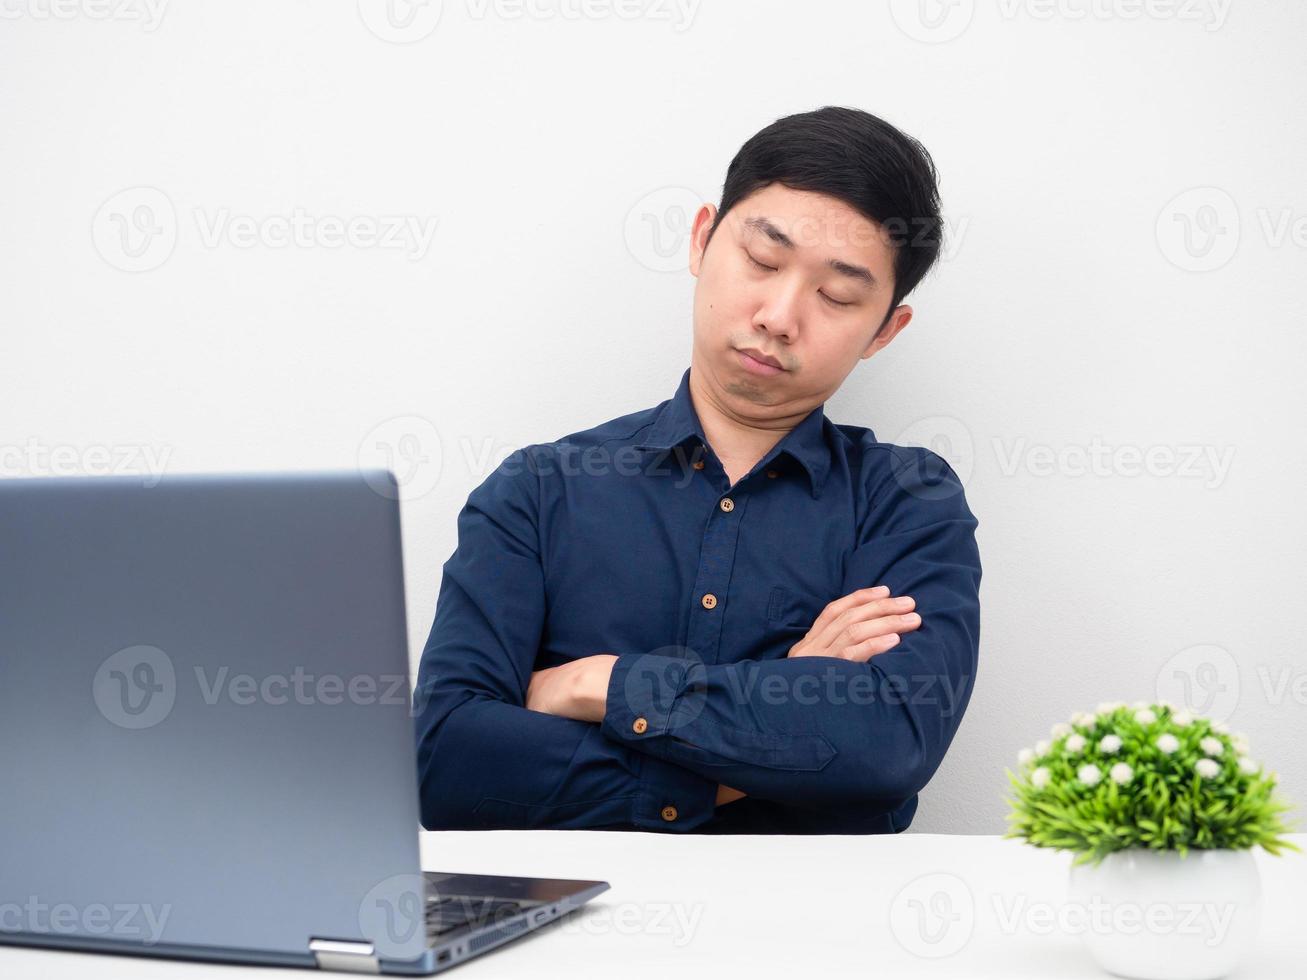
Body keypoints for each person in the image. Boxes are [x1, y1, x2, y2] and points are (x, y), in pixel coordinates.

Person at [413, 105, 982, 834]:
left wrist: (595, 684)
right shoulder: (536, 492)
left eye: (836, 295)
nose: (779, 315)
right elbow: (449, 765)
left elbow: (885, 749)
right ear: (701, 239)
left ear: (883, 331)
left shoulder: (906, 500)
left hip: (823, 936)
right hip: (567, 935)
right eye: (763, 261)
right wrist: (786, 703)